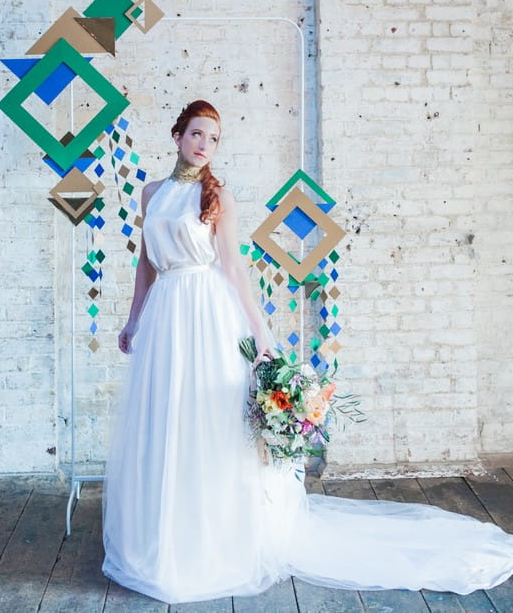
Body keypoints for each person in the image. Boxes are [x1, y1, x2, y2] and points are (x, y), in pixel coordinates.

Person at [101, 99, 513, 604]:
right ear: (177, 135)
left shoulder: (219, 198)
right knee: (164, 419)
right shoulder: (151, 193)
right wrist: (132, 318)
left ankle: (210, 539)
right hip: (166, 313)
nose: (204, 145)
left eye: (214, 138)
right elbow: (145, 265)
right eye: (197, 134)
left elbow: (232, 269)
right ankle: (161, 536)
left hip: (206, 315)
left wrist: (262, 335)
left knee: (206, 420)